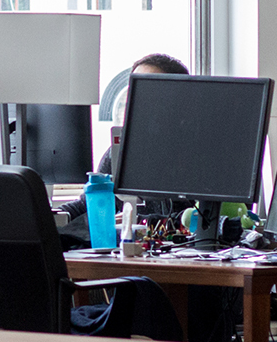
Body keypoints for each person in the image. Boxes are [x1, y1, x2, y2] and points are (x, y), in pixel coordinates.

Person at [58, 52, 190, 226]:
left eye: (148, 88)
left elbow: (198, 219)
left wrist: (141, 221)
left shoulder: (194, 153)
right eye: (134, 88)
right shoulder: (120, 150)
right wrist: (49, 216)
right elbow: (88, 205)